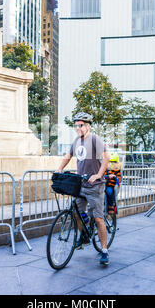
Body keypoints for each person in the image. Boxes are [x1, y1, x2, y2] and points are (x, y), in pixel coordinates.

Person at [55, 112, 110, 265]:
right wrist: (59, 168)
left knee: (98, 219)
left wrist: (98, 175)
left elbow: (106, 157)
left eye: (81, 125)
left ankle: (104, 250)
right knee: (77, 214)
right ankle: (84, 236)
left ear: (87, 126)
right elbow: (68, 155)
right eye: (76, 125)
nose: (78, 128)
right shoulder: (76, 141)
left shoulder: (94, 139)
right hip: (81, 185)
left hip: (95, 186)